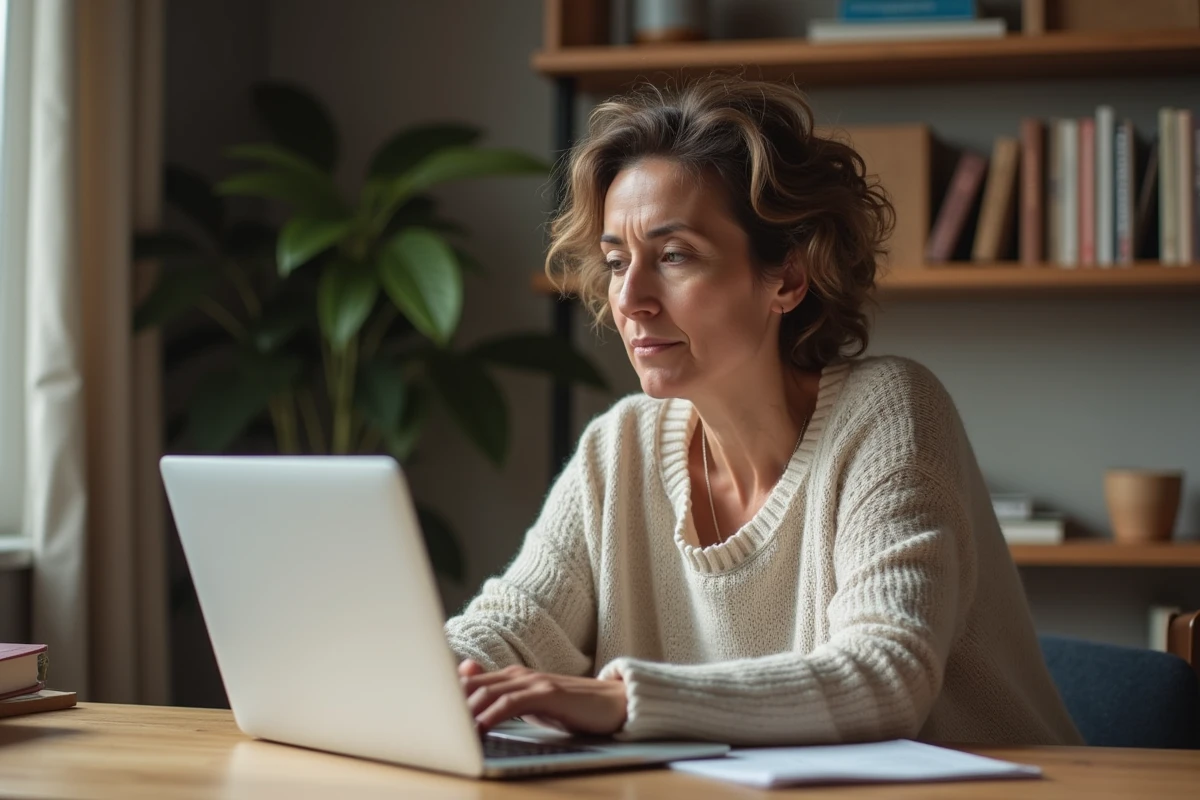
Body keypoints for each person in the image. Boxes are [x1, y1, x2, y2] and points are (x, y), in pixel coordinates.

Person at [444, 76, 1082, 747]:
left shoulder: (889, 414)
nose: (630, 298)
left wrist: (622, 700)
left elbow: (885, 676)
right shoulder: (619, 446)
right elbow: (510, 627)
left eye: (673, 256)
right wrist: (430, 674)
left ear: (787, 278)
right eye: (615, 260)